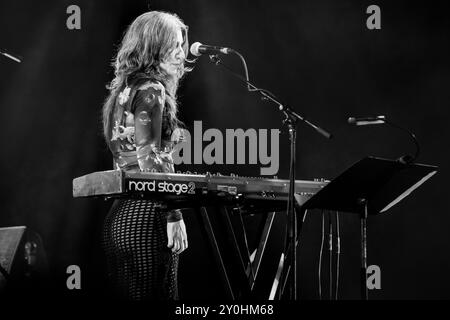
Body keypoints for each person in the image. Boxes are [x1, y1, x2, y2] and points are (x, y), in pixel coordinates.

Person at [101, 11, 190, 300]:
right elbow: (150, 159)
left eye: (181, 44)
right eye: (173, 45)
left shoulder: (124, 91)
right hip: (147, 216)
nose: (181, 53)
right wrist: (173, 212)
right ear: (154, 47)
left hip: (120, 218)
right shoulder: (153, 89)